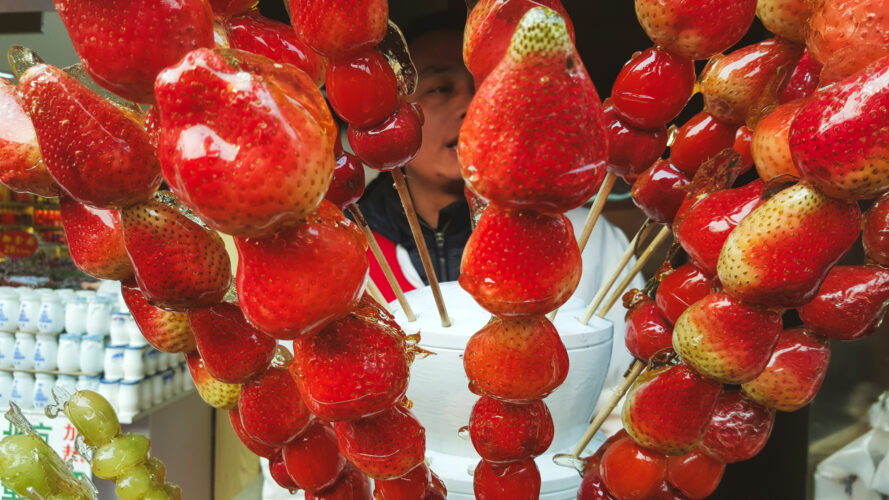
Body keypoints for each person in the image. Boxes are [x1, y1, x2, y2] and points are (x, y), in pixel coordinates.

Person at [261, 14, 644, 500]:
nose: (468, 106)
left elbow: (629, 396)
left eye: (484, 87)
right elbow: (303, 419)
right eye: (440, 88)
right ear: (399, 112)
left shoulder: (588, 241)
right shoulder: (333, 256)